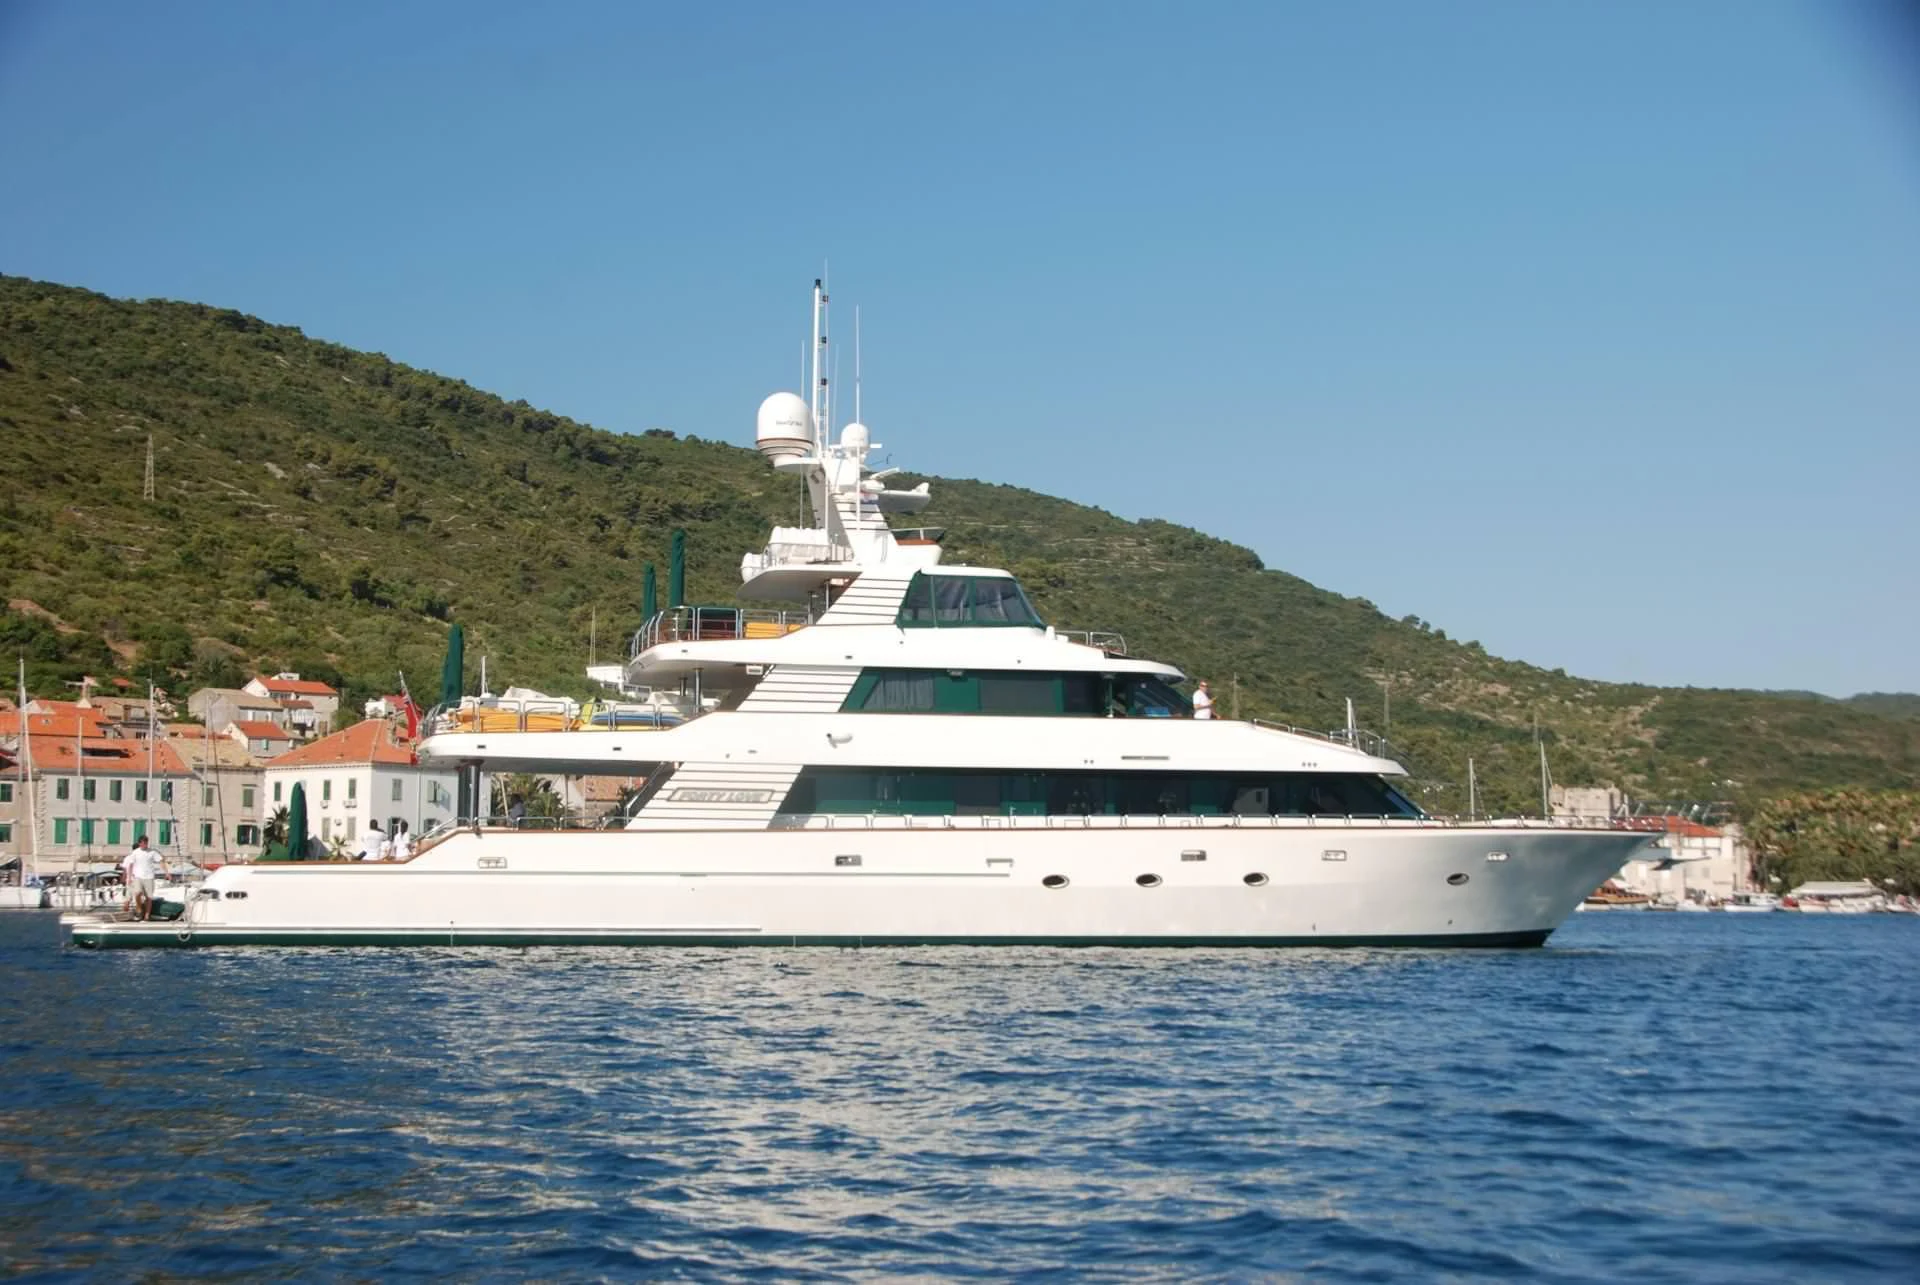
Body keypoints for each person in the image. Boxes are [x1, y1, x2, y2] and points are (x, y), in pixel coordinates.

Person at [124, 835, 160, 921]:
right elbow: (128, 867)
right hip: (136, 878)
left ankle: (142, 912)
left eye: (146, 843)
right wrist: (128, 878)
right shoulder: (133, 854)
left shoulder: (151, 852)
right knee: (136, 894)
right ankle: (137, 909)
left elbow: (125, 868)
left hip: (143, 877)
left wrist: (126, 877)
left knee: (146, 897)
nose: (144, 845)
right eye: (142, 843)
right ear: (139, 844)